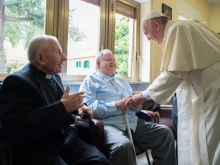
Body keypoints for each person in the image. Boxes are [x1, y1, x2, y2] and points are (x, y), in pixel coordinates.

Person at [127, 10, 220, 165]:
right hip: (206, 90)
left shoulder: (178, 29)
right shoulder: (181, 27)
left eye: (146, 33)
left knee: (207, 140)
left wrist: (142, 96)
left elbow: (173, 73)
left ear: (156, 25)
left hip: (210, 91)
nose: (148, 38)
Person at [0, 35, 110, 165]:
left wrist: (78, 107)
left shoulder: (54, 77)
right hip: (39, 149)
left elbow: (63, 104)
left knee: (100, 161)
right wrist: (63, 107)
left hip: (67, 139)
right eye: (58, 52)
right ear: (41, 58)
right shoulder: (17, 81)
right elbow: (15, 127)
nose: (64, 57)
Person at [79, 49, 177, 165]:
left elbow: (133, 104)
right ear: (98, 64)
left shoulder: (122, 81)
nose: (113, 62)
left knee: (165, 133)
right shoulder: (90, 81)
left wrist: (136, 106)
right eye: (108, 59)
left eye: (114, 59)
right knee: (123, 145)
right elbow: (90, 109)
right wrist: (117, 105)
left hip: (133, 123)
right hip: (109, 125)